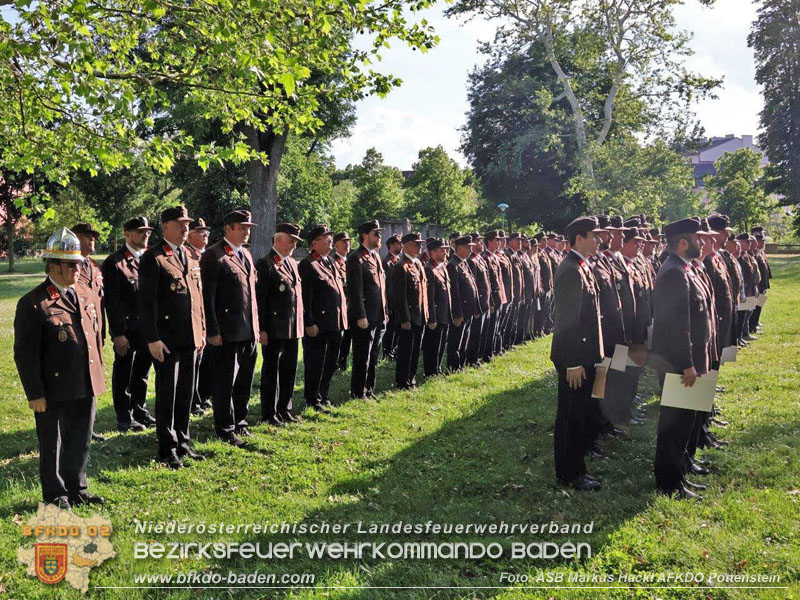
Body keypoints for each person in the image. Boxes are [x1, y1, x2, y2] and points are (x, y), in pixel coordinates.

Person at [14, 228, 107, 509]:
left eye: (80, 263)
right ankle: (55, 494)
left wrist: (97, 372)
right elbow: (25, 355)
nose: (79, 268)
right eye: (71, 264)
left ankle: (77, 487)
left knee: (80, 439)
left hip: (85, 380)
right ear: (53, 266)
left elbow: (97, 333)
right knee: (52, 443)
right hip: (53, 388)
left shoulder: (86, 293)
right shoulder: (33, 303)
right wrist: (35, 394)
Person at [138, 205, 207, 469]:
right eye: (180, 223)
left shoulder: (189, 255)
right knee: (168, 394)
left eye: (187, 224)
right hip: (166, 340)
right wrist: (152, 339)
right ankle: (167, 448)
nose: (185, 228)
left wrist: (201, 332)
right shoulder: (154, 257)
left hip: (190, 338)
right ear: (165, 226)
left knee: (186, 393)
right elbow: (146, 304)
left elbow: (196, 300)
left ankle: (183, 442)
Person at [651, 217, 713, 499]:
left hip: (689, 361)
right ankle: (669, 483)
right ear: (684, 242)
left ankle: (682, 471)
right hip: (679, 363)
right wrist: (687, 363)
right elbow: (677, 325)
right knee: (675, 426)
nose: (703, 243)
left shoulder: (683, 269)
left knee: (685, 423)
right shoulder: (674, 272)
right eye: (697, 238)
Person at [550, 217, 604, 491]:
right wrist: (572, 363)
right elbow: (567, 322)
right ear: (579, 238)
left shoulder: (582, 266)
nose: (599, 240)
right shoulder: (570, 269)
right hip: (575, 358)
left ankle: (577, 469)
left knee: (580, 414)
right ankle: (570, 474)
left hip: (584, 355)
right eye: (594, 236)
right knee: (571, 416)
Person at [201, 210, 259, 446]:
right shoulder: (213, 256)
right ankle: (224, 428)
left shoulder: (245, 254)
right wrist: (213, 331)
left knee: (244, 381)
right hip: (227, 333)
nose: (247, 232)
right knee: (225, 383)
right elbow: (208, 298)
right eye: (242, 227)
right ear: (228, 228)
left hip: (248, 330)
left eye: (248, 228)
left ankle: (240, 422)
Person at [102, 216, 156, 433]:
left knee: (142, 373)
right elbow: (112, 302)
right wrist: (117, 333)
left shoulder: (150, 259)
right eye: (140, 232)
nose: (145, 236)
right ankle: (124, 416)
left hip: (147, 329)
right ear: (127, 234)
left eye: (148, 232)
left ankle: (139, 409)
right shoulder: (115, 262)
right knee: (124, 373)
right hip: (127, 329)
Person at [256, 223, 304, 426]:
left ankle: (285, 408)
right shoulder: (265, 264)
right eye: (291, 240)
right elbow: (260, 300)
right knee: (271, 372)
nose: (294, 244)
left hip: (292, 327)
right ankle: (270, 412)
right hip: (274, 328)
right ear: (278, 240)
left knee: (289, 370)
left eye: (296, 241)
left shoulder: (292, 263)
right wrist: (262, 328)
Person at [299, 224, 348, 413]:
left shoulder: (331, 262)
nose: (330, 240)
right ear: (314, 243)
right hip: (319, 325)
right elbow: (305, 298)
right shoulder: (308, 264)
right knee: (315, 363)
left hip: (335, 323)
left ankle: (323, 395)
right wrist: (309, 322)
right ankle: (312, 398)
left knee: (330, 363)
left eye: (330, 237)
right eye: (325, 237)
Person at [72, 223, 107, 442]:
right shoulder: (68, 265)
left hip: (95, 330)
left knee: (93, 378)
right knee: (77, 378)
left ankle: (88, 426)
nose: (92, 240)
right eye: (87, 237)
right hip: (77, 332)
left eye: (93, 237)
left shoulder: (94, 266)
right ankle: (76, 427)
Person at [346, 220, 388, 399]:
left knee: (374, 355)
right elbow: (355, 291)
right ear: (365, 235)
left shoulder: (375, 256)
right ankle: (358, 391)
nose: (380, 237)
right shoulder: (356, 258)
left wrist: (384, 313)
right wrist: (360, 315)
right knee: (362, 356)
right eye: (376, 233)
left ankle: (369, 388)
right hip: (365, 317)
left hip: (378, 315)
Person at [391, 232, 428, 389]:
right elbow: (399, 297)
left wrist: (425, 313)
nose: (420, 246)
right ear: (406, 246)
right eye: (416, 244)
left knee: (415, 351)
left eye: (420, 243)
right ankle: (402, 381)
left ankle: (411, 379)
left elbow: (423, 291)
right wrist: (404, 319)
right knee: (406, 351)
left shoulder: (418, 264)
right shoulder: (400, 266)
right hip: (408, 317)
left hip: (419, 315)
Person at [186, 217, 213, 416]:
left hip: (207, 315)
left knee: (206, 362)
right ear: (190, 235)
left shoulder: (206, 256)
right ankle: (193, 399)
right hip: (193, 316)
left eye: (207, 233)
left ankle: (202, 395)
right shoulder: (188, 255)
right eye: (201, 232)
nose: (206, 236)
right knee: (194, 363)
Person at [446, 235, 480, 371]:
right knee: (456, 340)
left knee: (465, 338)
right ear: (459, 248)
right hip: (461, 311)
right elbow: (454, 293)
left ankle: (462, 363)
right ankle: (453, 366)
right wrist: (457, 313)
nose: (470, 251)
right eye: (467, 248)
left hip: (469, 309)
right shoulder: (452, 265)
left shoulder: (464, 262)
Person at [423, 238, 452, 377]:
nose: (445, 253)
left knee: (441, 344)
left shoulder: (441, 267)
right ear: (433, 252)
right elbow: (429, 297)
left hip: (444, 313)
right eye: (442, 250)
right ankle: (431, 371)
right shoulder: (429, 269)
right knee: (432, 346)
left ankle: (437, 368)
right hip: (436, 315)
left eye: (446, 250)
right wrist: (432, 318)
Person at [466, 232, 491, 366]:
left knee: (482, 332)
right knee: (475, 334)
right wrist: (476, 306)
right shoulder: (471, 260)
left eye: (481, 241)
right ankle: (472, 359)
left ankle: (479, 356)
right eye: (478, 241)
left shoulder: (480, 258)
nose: (481, 244)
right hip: (478, 303)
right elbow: (474, 285)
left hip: (485, 301)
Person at [332, 231, 352, 372]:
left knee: (348, 337)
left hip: (350, 307)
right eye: (343, 242)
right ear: (335, 245)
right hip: (340, 306)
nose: (347, 244)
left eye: (348, 241)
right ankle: (336, 362)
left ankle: (343, 361)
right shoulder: (334, 262)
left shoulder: (349, 261)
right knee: (340, 338)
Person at [382, 234, 402, 361]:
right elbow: (387, 285)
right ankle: (386, 353)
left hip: (399, 301)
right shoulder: (386, 262)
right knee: (390, 330)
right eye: (398, 243)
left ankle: (393, 351)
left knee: (397, 329)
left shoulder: (398, 261)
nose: (401, 246)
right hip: (391, 301)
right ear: (391, 245)